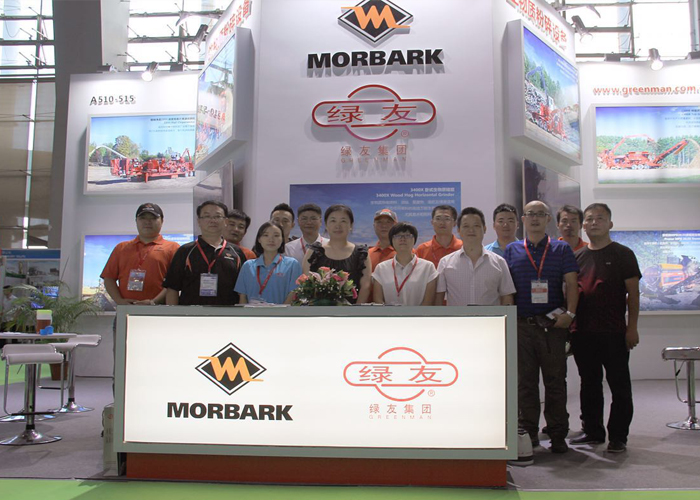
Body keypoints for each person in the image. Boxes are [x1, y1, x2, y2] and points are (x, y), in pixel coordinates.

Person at [504, 200, 579, 454]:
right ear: (523, 220)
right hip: (522, 327)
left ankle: (558, 434)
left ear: (548, 219)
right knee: (525, 384)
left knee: (555, 382)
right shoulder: (512, 250)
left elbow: (572, 283)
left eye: (540, 214)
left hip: (552, 327)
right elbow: (506, 289)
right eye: (530, 214)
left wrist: (570, 314)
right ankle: (529, 435)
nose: (535, 218)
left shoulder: (561, 249)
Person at [570, 203, 641, 454]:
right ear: (583, 225)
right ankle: (593, 431)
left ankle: (618, 436)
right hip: (583, 333)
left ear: (610, 224)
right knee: (589, 384)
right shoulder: (577, 257)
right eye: (589, 219)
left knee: (619, 385)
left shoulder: (623, 254)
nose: (594, 222)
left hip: (614, 332)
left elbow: (633, 294)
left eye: (600, 218)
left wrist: (632, 328)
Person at [163, 201, 246, 305]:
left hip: (227, 313)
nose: (212, 220)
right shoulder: (185, 251)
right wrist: (173, 313)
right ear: (199, 221)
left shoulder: (236, 253)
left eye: (217, 216)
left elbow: (243, 291)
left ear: (226, 221)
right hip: (191, 313)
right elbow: (172, 288)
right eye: (207, 216)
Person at [101, 203, 180, 307]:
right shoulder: (121, 248)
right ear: (136, 221)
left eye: (153, 218)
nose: (147, 222)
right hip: (127, 309)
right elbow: (109, 278)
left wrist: (153, 302)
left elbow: (174, 283)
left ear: (162, 221)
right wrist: (120, 301)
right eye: (143, 218)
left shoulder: (173, 248)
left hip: (158, 309)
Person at [435, 207, 515, 306]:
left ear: (484, 229)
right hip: (457, 317)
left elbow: (507, 296)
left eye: (476, 226)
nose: (471, 230)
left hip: (490, 317)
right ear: (459, 230)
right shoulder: (445, 262)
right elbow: (438, 299)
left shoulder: (499, 262)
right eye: (466, 226)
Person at [302, 204, 372, 304]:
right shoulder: (314, 252)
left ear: (351, 225)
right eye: (333, 221)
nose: (338, 226)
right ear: (326, 225)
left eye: (343, 221)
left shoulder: (361, 254)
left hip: (352, 311)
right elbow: (307, 284)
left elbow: (366, 286)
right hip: (319, 310)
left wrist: (356, 310)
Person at [235, 222, 302, 304]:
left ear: (282, 239)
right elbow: (242, 296)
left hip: (281, 312)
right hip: (251, 312)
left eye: (276, 235)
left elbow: (293, 294)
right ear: (259, 239)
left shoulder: (292, 264)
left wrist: (281, 311)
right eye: (266, 235)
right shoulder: (248, 266)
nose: (271, 240)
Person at [372, 222, 438, 306]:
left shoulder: (428, 267)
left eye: (407, 235)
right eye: (398, 236)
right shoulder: (381, 268)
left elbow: (428, 302)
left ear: (414, 240)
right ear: (392, 241)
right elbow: (378, 301)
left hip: (420, 314)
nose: (402, 239)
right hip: (389, 314)